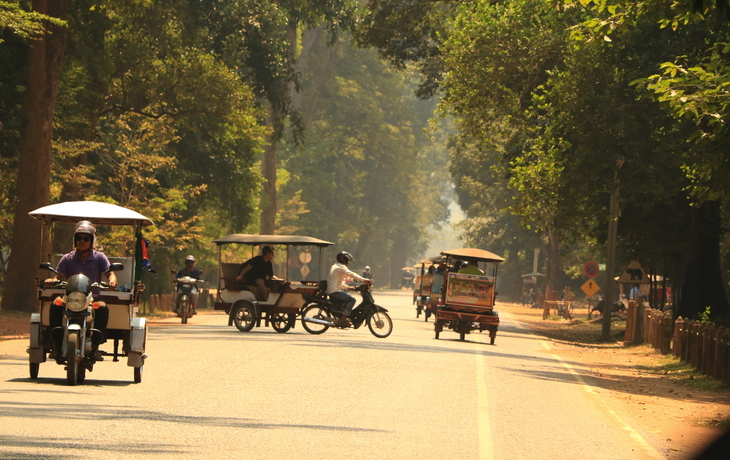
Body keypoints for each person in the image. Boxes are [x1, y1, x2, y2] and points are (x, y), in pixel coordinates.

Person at [45, 220, 116, 362]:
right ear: (75, 240)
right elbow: (59, 275)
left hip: (92, 297)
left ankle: (96, 345)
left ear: (92, 241)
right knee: (55, 304)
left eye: (86, 238)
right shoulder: (68, 258)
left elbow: (110, 273)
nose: (82, 241)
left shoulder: (100, 257)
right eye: (79, 238)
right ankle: (56, 344)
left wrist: (112, 280)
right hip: (70, 298)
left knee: (102, 308)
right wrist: (52, 280)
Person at [327, 251, 370, 326]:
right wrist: (364, 280)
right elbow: (351, 274)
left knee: (348, 299)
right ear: (343, 259)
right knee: (352, 300)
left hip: (333, 290)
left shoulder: (335, 266)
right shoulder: (340, 267)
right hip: (335, 291)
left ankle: (342, 315)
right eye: (348, 260)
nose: (348, 262)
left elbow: (338, 283)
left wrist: (348, 287)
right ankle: (343, 318)